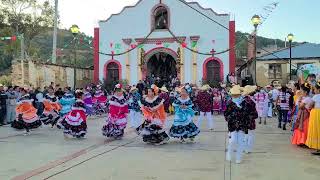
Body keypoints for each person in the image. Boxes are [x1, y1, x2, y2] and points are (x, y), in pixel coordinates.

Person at [224, 85, 247, 164]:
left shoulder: (244, 102)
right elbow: (226, 114)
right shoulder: (229, 102)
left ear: (240, 95)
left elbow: (247, 113)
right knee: (233, 141)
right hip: (232, 124)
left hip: (242, 124)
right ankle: (229, 153)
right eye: (234, 95)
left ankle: (238, 157)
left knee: (240, 142)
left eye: (237, 95)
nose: (235, 96)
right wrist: (230, 118)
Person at [242, 85, 258, 154]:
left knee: (245, 135)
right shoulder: (251, 101)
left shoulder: (241, 101)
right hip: (250, 120)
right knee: (250, 135)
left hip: (243, 120)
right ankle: (248, 149)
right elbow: (255, 113)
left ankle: (244, 148)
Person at [306, 81, 320, 155]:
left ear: (318, 90)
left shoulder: (315, 96)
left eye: (315, 89)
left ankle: (318, 148)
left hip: (316, 114)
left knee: (316, 130)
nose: (314, 91)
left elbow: (309, 106)